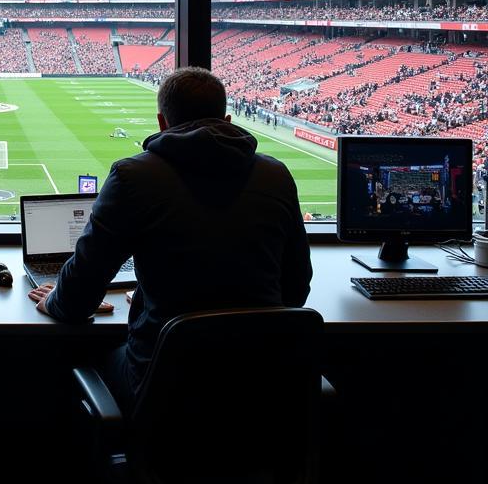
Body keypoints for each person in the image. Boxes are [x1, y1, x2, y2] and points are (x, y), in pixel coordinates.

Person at [28, 66, 312, 412]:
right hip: (260, 391)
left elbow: (78, 296)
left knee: (83, 357)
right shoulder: (276, 175)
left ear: (162, 122)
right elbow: (296, 289)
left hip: (165, 391)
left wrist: (56, 299)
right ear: (227, 118)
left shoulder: (134, 176)